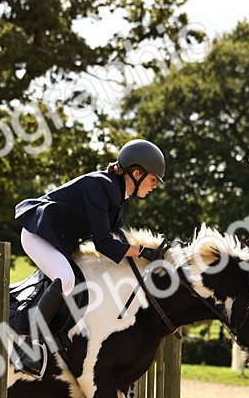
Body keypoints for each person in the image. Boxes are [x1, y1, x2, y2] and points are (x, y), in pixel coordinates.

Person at [10, 139, 166, 377]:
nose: (154, 185)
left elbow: (118, 238)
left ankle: (59, 336)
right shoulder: (100, 186)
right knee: (66, 279)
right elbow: (104, 243)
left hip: (58, 241)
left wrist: (152, 250)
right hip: (37, 235)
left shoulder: (118, 196)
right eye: (153, 179)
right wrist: (143, 251)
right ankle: (29, 347)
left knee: (81, 281)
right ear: (137, 173)